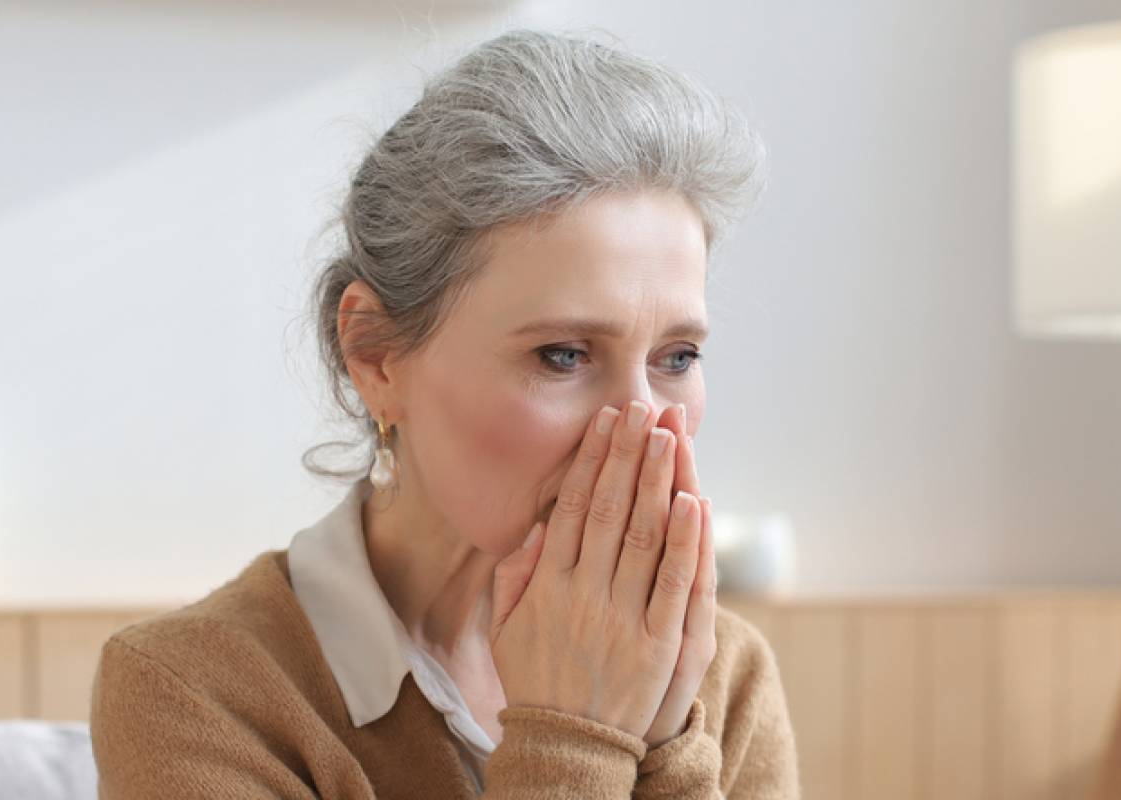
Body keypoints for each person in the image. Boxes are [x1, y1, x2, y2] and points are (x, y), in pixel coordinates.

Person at [91, 27, 797, 798]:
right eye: (563, 354)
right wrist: (576, 740)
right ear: (376, 355)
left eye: (677, 359)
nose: (643, 426)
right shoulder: (196, 695)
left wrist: (664, 740)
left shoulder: (722, 675)